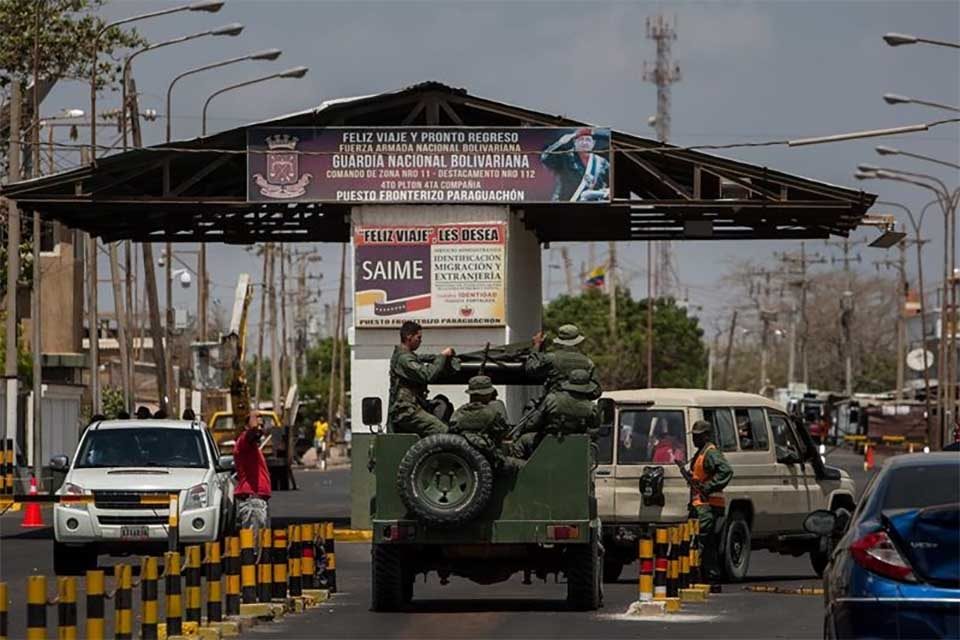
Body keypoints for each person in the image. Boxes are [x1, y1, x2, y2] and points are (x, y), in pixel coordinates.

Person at [512, 369, 600, 460]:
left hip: (549, 441)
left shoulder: (552, 399)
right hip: (575, 447)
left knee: (522, 441)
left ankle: (519, 471)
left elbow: (533, 423)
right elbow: (595, 429)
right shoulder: (591, 407)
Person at [389, 320, 457, 436]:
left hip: (412, 408)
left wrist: (441, 359)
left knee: (441, 404)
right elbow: (427, 375)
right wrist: (442, 356)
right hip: (406, 411)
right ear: (409, 337)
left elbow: (422, 358)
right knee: (444, 432)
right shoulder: (404, 359)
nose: (420, 341)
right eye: (418, 337)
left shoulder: (407, 356)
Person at [685, 420, 733, 584]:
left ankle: (693, 575)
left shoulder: (710, 453)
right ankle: (711, 577)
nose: (694, 439)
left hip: (706, 505)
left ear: (706, 436)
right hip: (703, 504)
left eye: (698, 436)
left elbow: (726, 471)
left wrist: (707, 487)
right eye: (694, 436)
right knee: (709, 543)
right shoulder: (701, 453)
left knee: (698, 541)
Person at [524, 324, 601, 400]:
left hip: (554, 406)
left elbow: (531, 369)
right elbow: (596, 392)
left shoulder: (551, 358)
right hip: (580, 409)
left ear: (559, 341)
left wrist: (536, 346)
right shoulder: (588, 362)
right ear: (578, 342)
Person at [449, 376, 511, 469]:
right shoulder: (493, 413)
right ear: (486, 394)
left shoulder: (457, 414)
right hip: (491, 461)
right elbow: (504, 433)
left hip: (464, 463)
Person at [234, 412, 272, 553]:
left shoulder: (253, 448)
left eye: (262, 424)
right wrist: (254, 425)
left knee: (259, 546)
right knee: (253, 548)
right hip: (253, 501)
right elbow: (251, 434)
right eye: (257, 422)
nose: (260, 427)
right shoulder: (244, 442)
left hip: (258, 500)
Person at [540, 127, 611, 202]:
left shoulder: (602, 162)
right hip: (564, 204)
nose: (584, 143)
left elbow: (612, 183)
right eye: (581, 140)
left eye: (588, 140)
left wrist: (607, 191)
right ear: (574, 142)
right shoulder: (565, 157)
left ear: (593, 143)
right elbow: (545, 158)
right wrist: (560, 143)